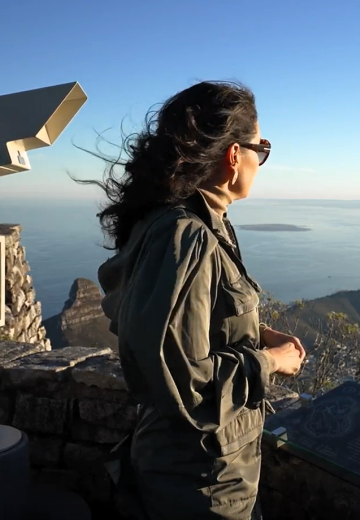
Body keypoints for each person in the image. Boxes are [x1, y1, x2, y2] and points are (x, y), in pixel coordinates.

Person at [86, 81, 306, 520]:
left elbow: (191, 320)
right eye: (259, 149)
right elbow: (181, 377)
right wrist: (271, 361)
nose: (259, 162)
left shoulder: (191, 220)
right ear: (233, 155)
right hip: (199, 480)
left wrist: (257, 332)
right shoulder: (185, 234)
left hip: (203, 469)